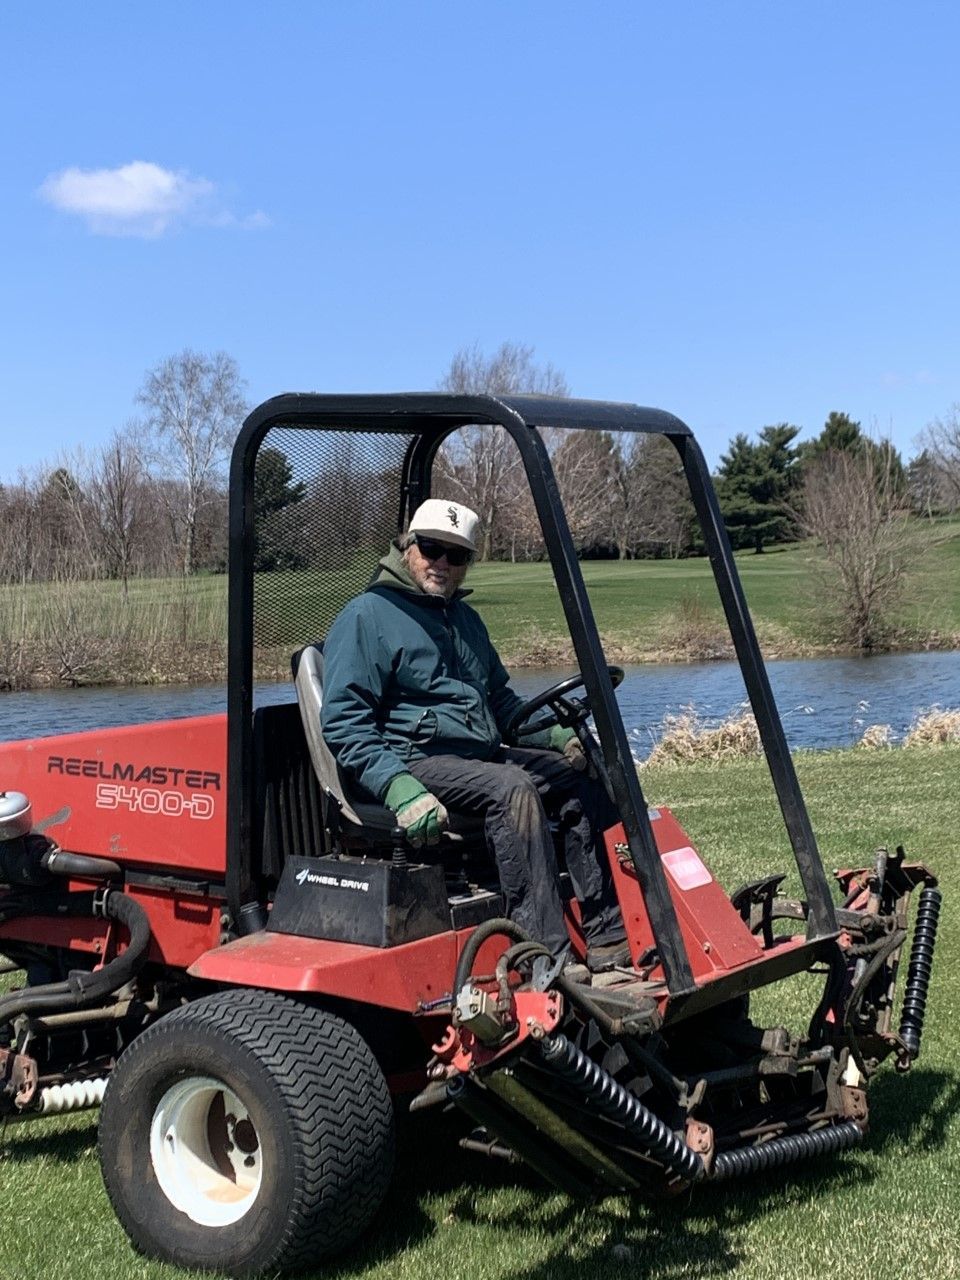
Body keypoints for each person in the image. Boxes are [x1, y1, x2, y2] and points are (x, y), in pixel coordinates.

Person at [320, 498, 631, 971]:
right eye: (431, 548)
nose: (442, 563)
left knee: (577, 776)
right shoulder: (368, 615)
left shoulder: (464, 621)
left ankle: (611, 936)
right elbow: (344, 721)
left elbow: (502, 703)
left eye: (457, 555)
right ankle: (544, 957)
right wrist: (399, 786)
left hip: (474, 761)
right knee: (513, 789)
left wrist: (552, 738)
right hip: (411, 760)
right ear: (407, 547)